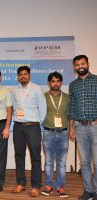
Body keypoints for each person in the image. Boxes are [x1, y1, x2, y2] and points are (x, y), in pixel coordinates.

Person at [11, 66, 47, 197]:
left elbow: (42, 108)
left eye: (25, 74)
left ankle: (36, 186)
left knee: (35, 157)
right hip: (18, 126)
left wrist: (37, 122)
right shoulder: (14, 90)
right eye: (20, 74)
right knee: (19, 155)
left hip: (33, 126)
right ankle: (21, 183)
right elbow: (15, 107)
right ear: (18, 76)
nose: (23, 76)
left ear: (29, 75)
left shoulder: (37, 89)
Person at [69, 55, 97, 200]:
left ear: (88, 64)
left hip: (95, 126)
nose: (80, 66)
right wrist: (71, 127)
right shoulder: (73, 85)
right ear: (74, 67)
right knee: (85, 162)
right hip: (79, 127)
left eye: (83, 63)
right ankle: (89, 190)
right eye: (77, 64)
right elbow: (72, 107)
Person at [41, 72, 69, 198]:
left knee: (62, 162)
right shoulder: (43, 97)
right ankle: (49, 185)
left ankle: (61, 187)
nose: (55, 83)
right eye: (53, 81)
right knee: (48, 161)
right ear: (49, 83)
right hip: (48, 132)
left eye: (58, 81)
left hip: (63, 132)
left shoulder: (67, 97)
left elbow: (71, 115)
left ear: (61, 82)